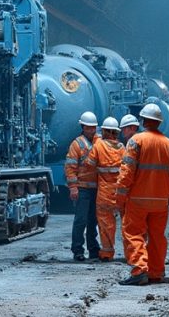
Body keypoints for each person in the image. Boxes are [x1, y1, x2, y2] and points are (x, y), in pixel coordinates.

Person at [115, 103, 169, 286]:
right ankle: (156, 273)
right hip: (160, 201)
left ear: (143, 121)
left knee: (133, 233)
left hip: (138, 200)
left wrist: (120, 197)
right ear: (159, 122)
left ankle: (139, 270)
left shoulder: (136, 141)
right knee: (157, 236)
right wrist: (168, 196)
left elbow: (126, 172)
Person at [65, 111, 100, 261]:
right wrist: (73, 187)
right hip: (82, 188)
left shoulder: (100, 141)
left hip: (97, 188)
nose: (91, 130)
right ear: (83, 127)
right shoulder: (77, 144)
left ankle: (93, 249)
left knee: (93, 221)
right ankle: (78, 250)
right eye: (88, 128)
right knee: (81, 220)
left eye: (93, 128)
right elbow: (70, 167)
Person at [93, 117, 125, 262]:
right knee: (128, 223)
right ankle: (132, 253)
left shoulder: (99, 146)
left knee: (106, 223)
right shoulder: (122, 148)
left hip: (104, 192)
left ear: (104, 131)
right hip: (120, 192)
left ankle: (107, 253)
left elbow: (89, 163)